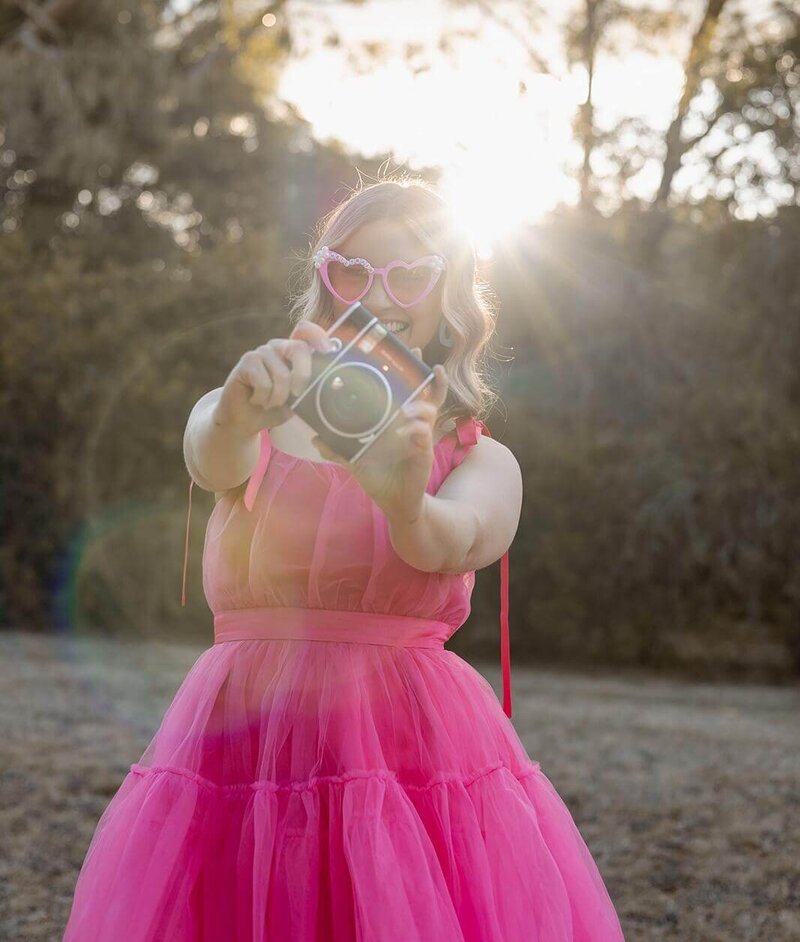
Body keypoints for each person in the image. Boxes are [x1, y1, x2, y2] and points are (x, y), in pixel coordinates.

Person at [62, 178, 625, 940]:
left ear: (449, 291)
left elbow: (455, 539)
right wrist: (233, 411)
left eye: (410, 274)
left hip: (404, 736)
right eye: (352, 269)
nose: (376, 294)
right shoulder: (253, 406)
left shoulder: (477, 456)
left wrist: (403, 500)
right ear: (323, 278)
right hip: (244, 725)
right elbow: (208, 457)